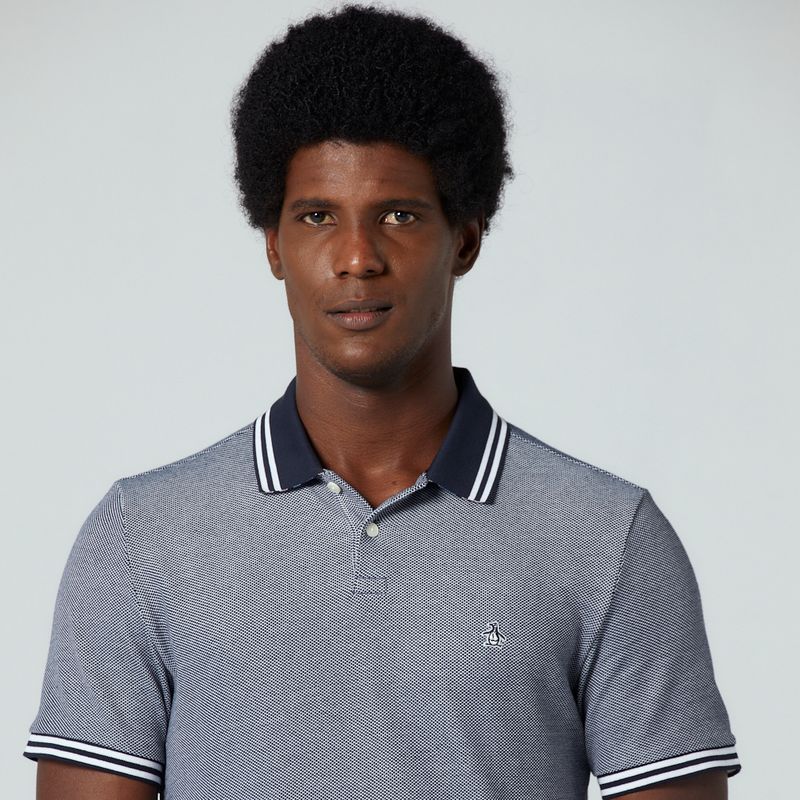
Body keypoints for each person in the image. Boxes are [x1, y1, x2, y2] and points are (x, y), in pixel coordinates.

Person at [23, 4, 741, 799]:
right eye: (318, 217)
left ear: (464, 238)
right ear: (274, 245)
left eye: (398, 216)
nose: (357, 257)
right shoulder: (139, 541)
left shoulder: (609, 540)